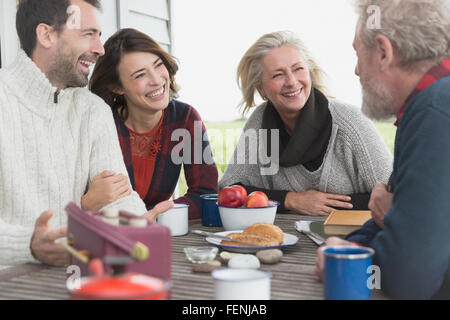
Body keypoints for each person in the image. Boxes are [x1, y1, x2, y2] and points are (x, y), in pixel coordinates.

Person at [0, 0, 172, 269]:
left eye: (99, 35)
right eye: (88, 34)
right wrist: (28, 244)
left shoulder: (92, 109)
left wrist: (136, 222)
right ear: (46, 35)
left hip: (81, 278)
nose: (100, 49)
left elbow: (120, 197)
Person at [315, 0, 450, 299]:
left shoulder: (436, 111)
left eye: (357, 53)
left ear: (383, 51)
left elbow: (411, 279)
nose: (356, 70)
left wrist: (348, 263)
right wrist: (358, 243)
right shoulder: (432, 103)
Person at [219, 31, 393, 216]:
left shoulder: (350, 123)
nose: (292, 82)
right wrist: (290, 200)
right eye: (278, 75)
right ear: (261, 89)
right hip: (284, 239)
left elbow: (395, 196)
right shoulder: (260, 123)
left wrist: (322, 206)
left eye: (298, 69)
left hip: (349, 239)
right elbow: (229, 190)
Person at [89, 28, 218, 219]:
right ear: (117, 87)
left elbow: (205, 194)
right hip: (107, 232)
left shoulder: (185, 119)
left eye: (158, 65)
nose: (157, 80)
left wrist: (156, 214)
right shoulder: (101, 124)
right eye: (140, 74)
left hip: (157, 231)